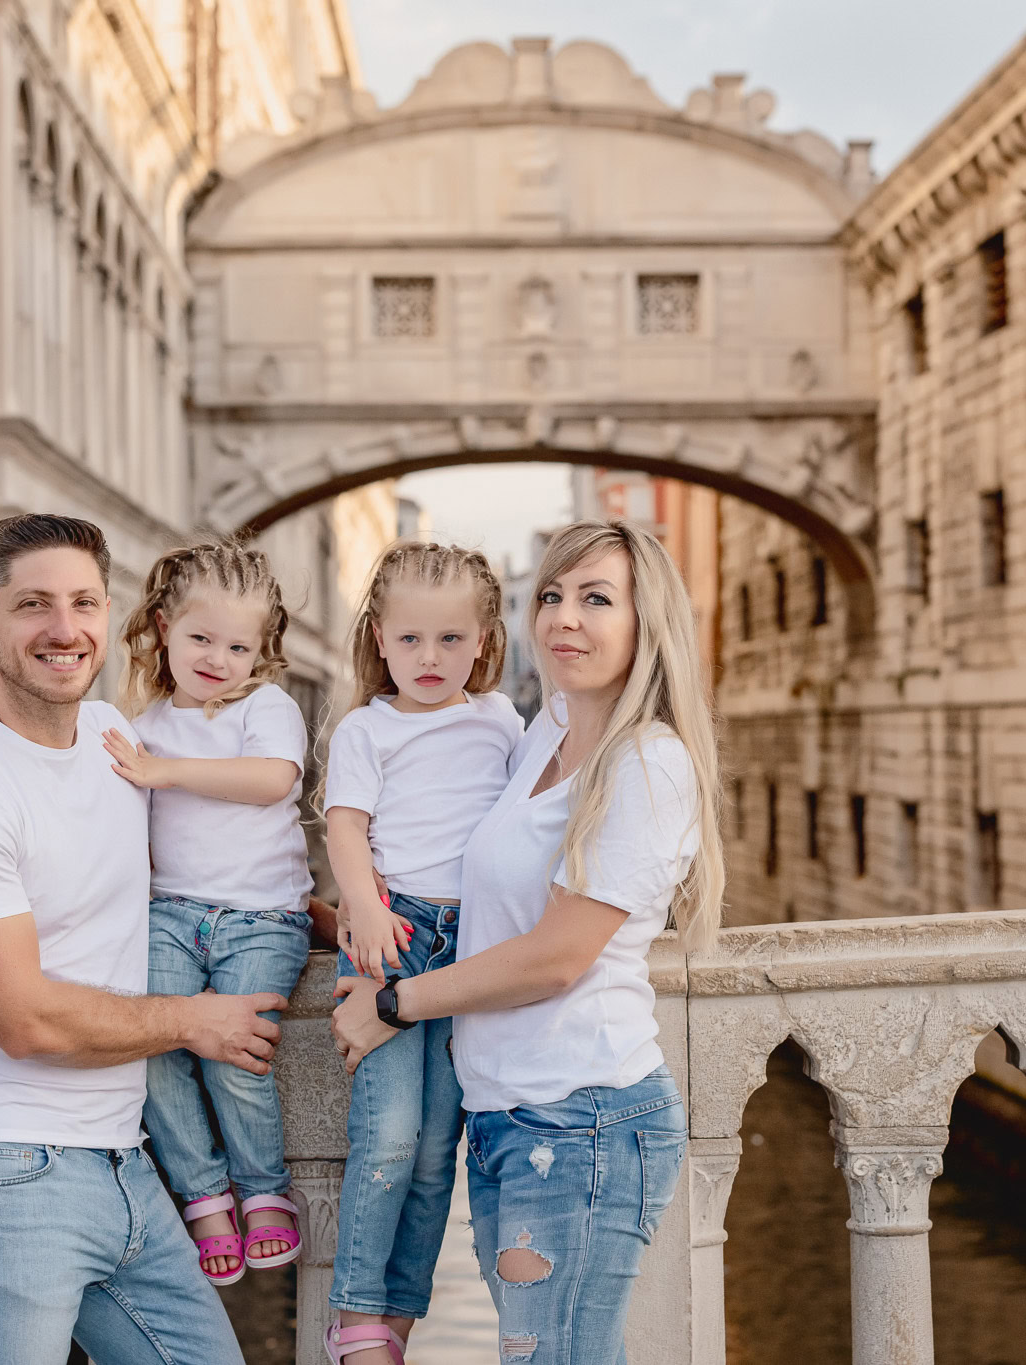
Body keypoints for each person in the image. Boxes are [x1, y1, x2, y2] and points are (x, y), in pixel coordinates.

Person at [0, 513, 278, 1365]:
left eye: (83, 603)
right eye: (34, 605)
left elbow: (209, 873)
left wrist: (329, 920)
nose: (64, 629)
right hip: (0, 1170)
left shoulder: (116, 742)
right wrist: (193, 1020)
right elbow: (24, 1019)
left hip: (123, 1161)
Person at [331, 519, 725, 1365]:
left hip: (583, 1117)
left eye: (596, 599)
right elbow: (456, 878)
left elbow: (555, 955)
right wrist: (343, 912)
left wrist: (393, 1003)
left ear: (645, 620)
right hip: (507, 1115)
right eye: (551, 595)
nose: (564, 619)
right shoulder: (541, 731)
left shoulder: (648, 765)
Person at [319, 543, 523, 1365]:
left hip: (467, 945)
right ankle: (356, 1306)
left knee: (442, 1145)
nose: (429, 658)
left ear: (482, 640)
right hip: (393, 935)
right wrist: (361, 905)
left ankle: (400, 1309)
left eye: (449, 639)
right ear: (378, 637)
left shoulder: (500, 720)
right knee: (393, 1132)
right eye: (409, 640)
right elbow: (344, 825)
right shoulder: (366, 728)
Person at [102, 538, 312, 1284]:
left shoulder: (267, 706)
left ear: (262, 650)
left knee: (235, 1054)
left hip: (262, 917)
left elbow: (270, 780)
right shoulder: (149, 721)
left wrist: (169, 771)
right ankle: (204, 1196)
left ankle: (262, 1191)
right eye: (201, 638)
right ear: (163, 626)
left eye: (238, 645)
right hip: (170, 913)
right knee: (154, 1042)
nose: (219, 658)